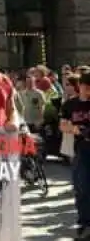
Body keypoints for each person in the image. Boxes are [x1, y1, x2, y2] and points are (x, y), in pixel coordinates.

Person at [60, 72, 90, 239]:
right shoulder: (71, 105)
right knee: (82, 187)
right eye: (87, 87)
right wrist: (75, 129)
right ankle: (84, 222)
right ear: (82, 87)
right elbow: (63, 125)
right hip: (82, 150)